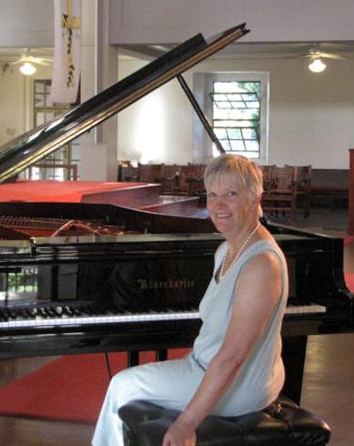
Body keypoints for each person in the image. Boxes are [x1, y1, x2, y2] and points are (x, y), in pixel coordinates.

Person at [92, 154, 288, 446]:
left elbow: (232, 357)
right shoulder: (225, 250)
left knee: (122, 385)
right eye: (212, 195)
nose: (218, 205)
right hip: (212, 367)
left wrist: (186, 423)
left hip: (241, 386)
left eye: (231, 194)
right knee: (133, 381)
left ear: (255, 197)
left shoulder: (260, 265)